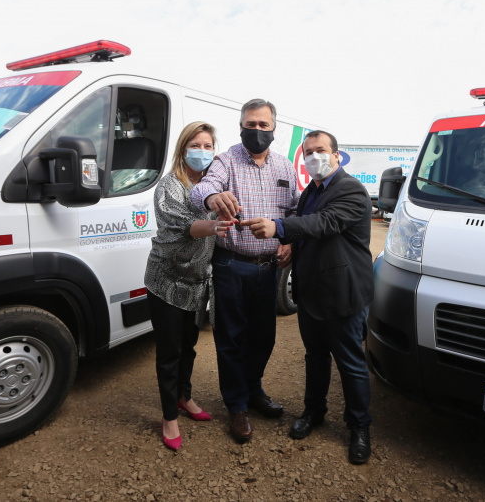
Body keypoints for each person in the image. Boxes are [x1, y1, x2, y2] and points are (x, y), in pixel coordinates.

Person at [241, 130, 375, 464]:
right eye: (308, 152)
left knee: (351, 364)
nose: (314, 157)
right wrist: (289, 245)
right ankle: (314, 412)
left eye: (321, 151)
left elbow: (325, 223)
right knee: (315, 357)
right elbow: (306, 226)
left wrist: (279, 228)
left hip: (342, 293)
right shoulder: (310, 192)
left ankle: (359, 427)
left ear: (337, 155)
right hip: (311, 292)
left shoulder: (351, 189)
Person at [190, 99, 299, 443]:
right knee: (231, 338)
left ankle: (253, 390)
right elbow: (202, 189)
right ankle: (237, 406)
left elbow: (296, 211)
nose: (256, 131)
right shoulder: (226, 161)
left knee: (263, 337)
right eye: (250, 124)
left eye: (263, 125)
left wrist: (290, 239)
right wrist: (212, 200)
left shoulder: (284, 167)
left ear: (273, 129)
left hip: (268, 270)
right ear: (241, 126)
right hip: (231, 266)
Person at [144, 121, 234, 451]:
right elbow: (181, 227)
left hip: (197, 282)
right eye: (196, 145)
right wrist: (214, 225)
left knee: (189, 345)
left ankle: (184, 396)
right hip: (166, 281)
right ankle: (169, 416)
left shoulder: (212, 186)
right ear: (183, 149)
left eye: (209, 146)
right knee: (169, 351)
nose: (203, 152)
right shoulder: (170, 186)